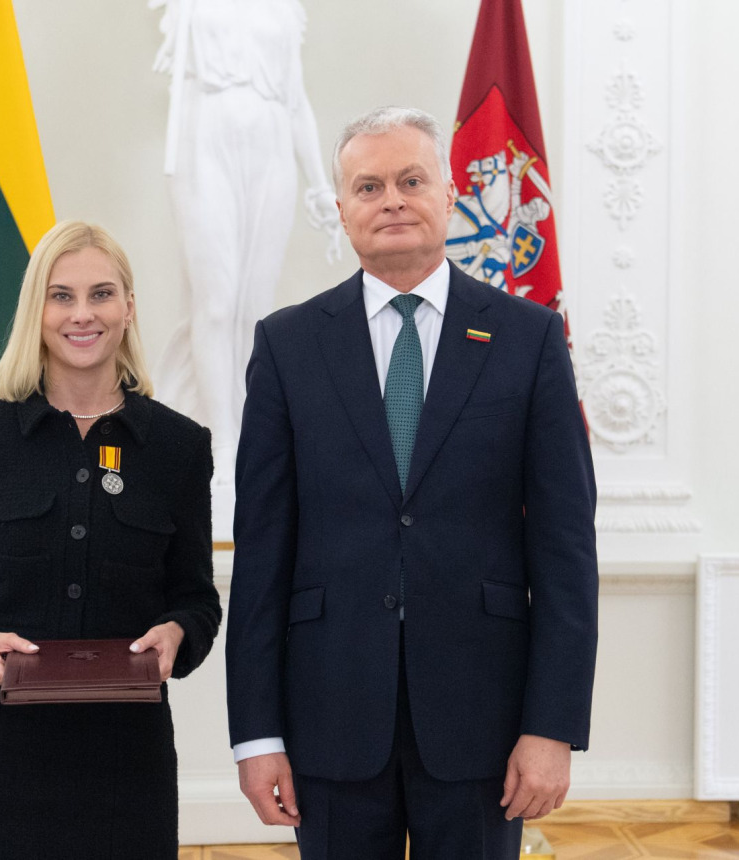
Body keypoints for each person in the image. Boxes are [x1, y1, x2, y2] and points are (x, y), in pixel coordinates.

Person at [225, 107, 598, 859]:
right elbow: (263, 554)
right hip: (328, 720)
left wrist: (551, 725)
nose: (390, 199)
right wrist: (256, 735)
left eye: (410, 180)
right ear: (341, 211)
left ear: (450, 193)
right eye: (368, 186)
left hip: (483, 726)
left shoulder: (527, 340)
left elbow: (564, 552)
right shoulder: (288, 345)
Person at [0, 220, 222, 859]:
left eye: (101, 294)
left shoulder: (180, 448)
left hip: (126, 762)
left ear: (128, 308)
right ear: (36, 310)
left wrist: (180, 633)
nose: (82, 314)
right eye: (61, 295)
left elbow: (196, 599)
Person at [149, 0, 342, 484]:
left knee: (253, 307)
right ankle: (220, 438)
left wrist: (320, 185)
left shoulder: (284, 8)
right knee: (215, 303)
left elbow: (296, 101)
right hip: (204, 142)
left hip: (272, 148)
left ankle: (249, 432)